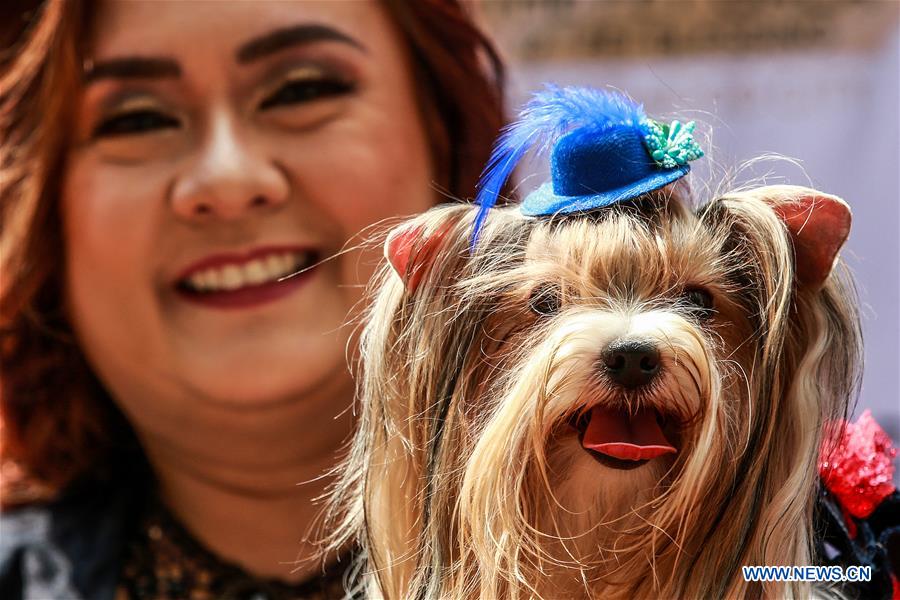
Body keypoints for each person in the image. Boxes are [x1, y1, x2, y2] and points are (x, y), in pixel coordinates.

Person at [0, 1, 504, 598]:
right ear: (36, 204)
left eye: (300, 90)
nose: (226, 181)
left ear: (445, 133)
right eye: (136, 121)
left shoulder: (635, 551)